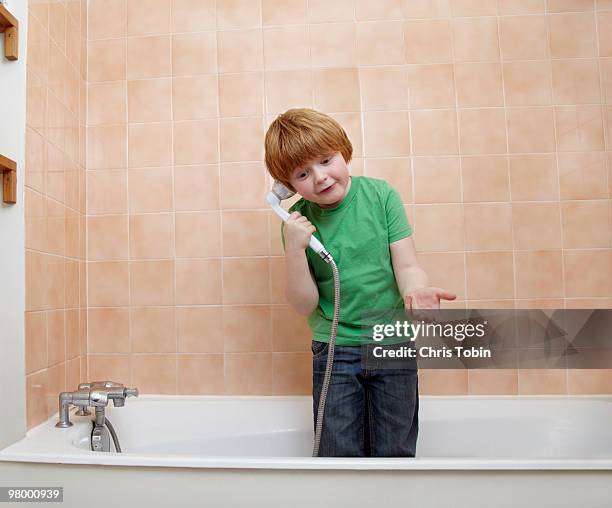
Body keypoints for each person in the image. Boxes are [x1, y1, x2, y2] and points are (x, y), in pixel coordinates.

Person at [264, 108, 456, 457]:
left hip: (391, 342)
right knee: (336, 452)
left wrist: (415, 290)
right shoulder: (297, 225)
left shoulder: (381, 196)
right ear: (287, 187)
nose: (320, 177)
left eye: (326, 160)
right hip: (334, 347)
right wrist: (294, 249)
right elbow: (304, 304)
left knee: (394, 450)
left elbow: (408, 264)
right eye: (303, 173)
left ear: (343, 150)